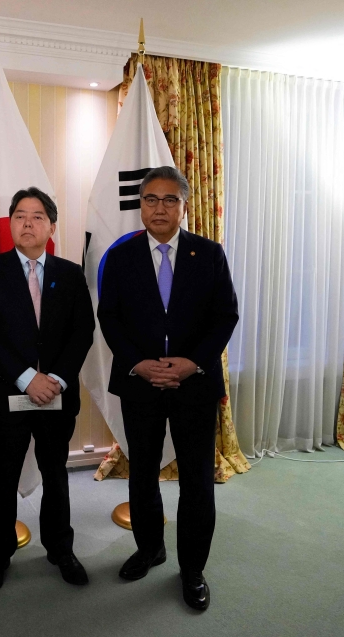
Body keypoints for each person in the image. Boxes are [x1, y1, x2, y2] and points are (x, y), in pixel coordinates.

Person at [96, 165, 239, 611]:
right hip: (140, 384)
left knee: (196, 479)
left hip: (193, 385)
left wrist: (191, 363)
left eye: (169, 200)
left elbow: (225, 317)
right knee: (141, 473)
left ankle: (192, 568)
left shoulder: (209, 254)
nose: (159, 208)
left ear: (184, 205)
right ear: (141, 206)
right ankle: (149, 548)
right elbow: (110, 318)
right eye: (151, 200)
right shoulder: (120, 257)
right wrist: (139, 364)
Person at [0, 188, 95, 593]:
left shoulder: (71, 273)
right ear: (10, 224)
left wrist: (55, 379)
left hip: (56, 396)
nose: (28, 223)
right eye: (19, 216)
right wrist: (27, 378)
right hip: (5, 393)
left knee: (56, 475)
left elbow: (82, 333)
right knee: (2, 477)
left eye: (38, 216)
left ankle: (60, 549)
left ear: (51, 227)